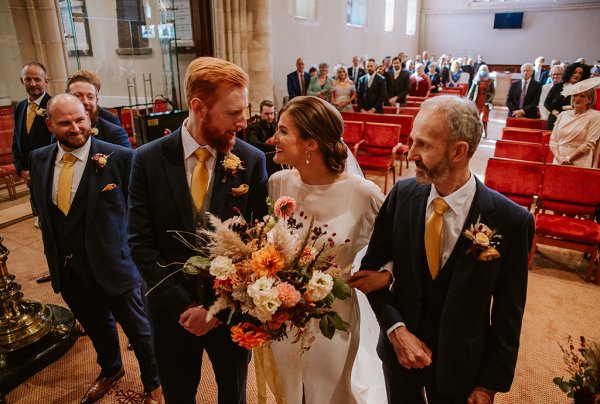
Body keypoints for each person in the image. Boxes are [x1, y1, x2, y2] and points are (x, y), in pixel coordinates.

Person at [356, 95, 533, 403]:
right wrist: (396, 330)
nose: (410, 154)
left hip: (462, 366)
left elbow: (508, 312)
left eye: (423, 145)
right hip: (399, 358)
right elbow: (372, 273)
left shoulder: (510, 220)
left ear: (458, 151)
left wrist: (489, 384)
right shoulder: (402, 195)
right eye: (411, 141)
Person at [128, 56, 268, 404]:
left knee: (233, 394)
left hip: (232, 312)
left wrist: (216, 309)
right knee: (178, 394)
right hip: (171, 311)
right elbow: (141, 244)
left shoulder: (251, 161)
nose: (243, 121)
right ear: (198, 106)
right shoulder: (146, 159)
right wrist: (186, 306)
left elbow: (259, 245)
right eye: (233, 113)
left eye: (245, 110)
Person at [29, 94, 162, 404]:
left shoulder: (120, 157)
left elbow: (142, 215)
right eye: (65, 123)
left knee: (140, 332)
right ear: (50, 125)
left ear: (89, 118)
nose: (75, 127)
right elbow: (46, 211)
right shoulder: (39, 159)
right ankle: (111, 369)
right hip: (68, 267)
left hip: (115, 264)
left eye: (80, 119)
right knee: (96, 326)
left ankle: (154, 381)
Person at [268, 95, 385, 404]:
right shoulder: (278, 183)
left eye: (282, 131)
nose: (272, 139)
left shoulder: (363, 193)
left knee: (329, 394)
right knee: (290, 393)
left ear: (311, 143)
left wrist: (384, 277)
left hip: (335, 319)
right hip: (284, 316)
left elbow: (396, 250)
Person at [12, 62, 54, 241]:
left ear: (46, 81)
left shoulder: (53, 105)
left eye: (37, 79)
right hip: (29, 176)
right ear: (22, 81)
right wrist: (21, 170)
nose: (33, 83)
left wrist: (39, 171)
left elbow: (57, 143)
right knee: (43, 221)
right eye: (28, 79)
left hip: (49, 172)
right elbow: (17, 141)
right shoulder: (19, 107)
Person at [65, 71, 132, 148]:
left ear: (96, 101)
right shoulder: (61, 129)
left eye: (90, 97)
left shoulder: (112, 128)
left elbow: (127, 157)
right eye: (78, 96)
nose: (85, 102)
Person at [550, 78, 600, 167]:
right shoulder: (563, 115)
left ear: (590, 100)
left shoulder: (596, 116)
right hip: (558, 161)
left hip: (580, 162)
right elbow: (553, 140)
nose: (577, 98)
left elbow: (589, 144)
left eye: (582, 96)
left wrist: (568, 158)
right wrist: (558, 157)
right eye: (575, 95)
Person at [544, 62, 591, 130]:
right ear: (569, 72)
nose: (577, 75)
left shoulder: (583, 89)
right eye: (575, 72)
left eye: (580, 73)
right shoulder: (557, 86)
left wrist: (573, 107)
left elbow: (588, 105)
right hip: (555, 119)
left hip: (573, 121)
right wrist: (554, 111)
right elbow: (547, 103)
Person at [467, 64, 495, 137]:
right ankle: (474, 132)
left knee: (484, 117)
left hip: (485, 101)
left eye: (485, 70)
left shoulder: (490, 81)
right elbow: (471, 91)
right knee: (475, 117)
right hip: (476, 99)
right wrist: (468, 100)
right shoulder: (476, 80)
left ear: (487, 71)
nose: (483, 71)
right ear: (479, 71)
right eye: (482, 70)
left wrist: (490, 100)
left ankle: (484, 132)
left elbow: (493, 92)